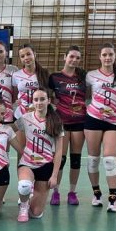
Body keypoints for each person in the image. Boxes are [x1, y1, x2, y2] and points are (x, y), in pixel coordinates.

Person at [83, 43, 116, 210]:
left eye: (110, 54)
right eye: (104, 55)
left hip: (112, 121)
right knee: (93, 160)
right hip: (93, 119)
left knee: (109, 160)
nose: (107, 57)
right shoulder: (91, 75)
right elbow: (84, 94)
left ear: (115, 56)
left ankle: (113, 198)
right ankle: (96, 194)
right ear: (99, 57)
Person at [17, 87, 64, 221]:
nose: (39, 102)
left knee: (36, 214)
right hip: (27, 163)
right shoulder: (25, 118)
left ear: (48, 101)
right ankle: (23, 206)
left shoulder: (56, 121)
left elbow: (59, 151)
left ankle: (32, 199)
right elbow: (7, 129)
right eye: (36, 100)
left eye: (42, 99)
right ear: (32, 102)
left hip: (45, 165)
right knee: (24, 185)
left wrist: (54, 176)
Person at [49, 46, 87, 207]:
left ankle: (72, 192)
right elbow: (48, 96)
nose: (74, 60)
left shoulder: (83, 77)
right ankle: (55, 191)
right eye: (71, 56)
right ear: (64, 57)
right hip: (62, 122)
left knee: (76, 160)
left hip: (80, 122)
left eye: (77, 58)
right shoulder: (54, 77)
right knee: (61, 159)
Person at [12, 44, 48, 122]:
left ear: (34, 54)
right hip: (21, 114)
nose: (26, 58)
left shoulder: (44, 73)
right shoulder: (16, 75)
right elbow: (14, 94)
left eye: (28, 54)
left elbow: (48, 93)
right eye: (22, 56)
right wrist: (17, 100)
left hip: (39, 114)